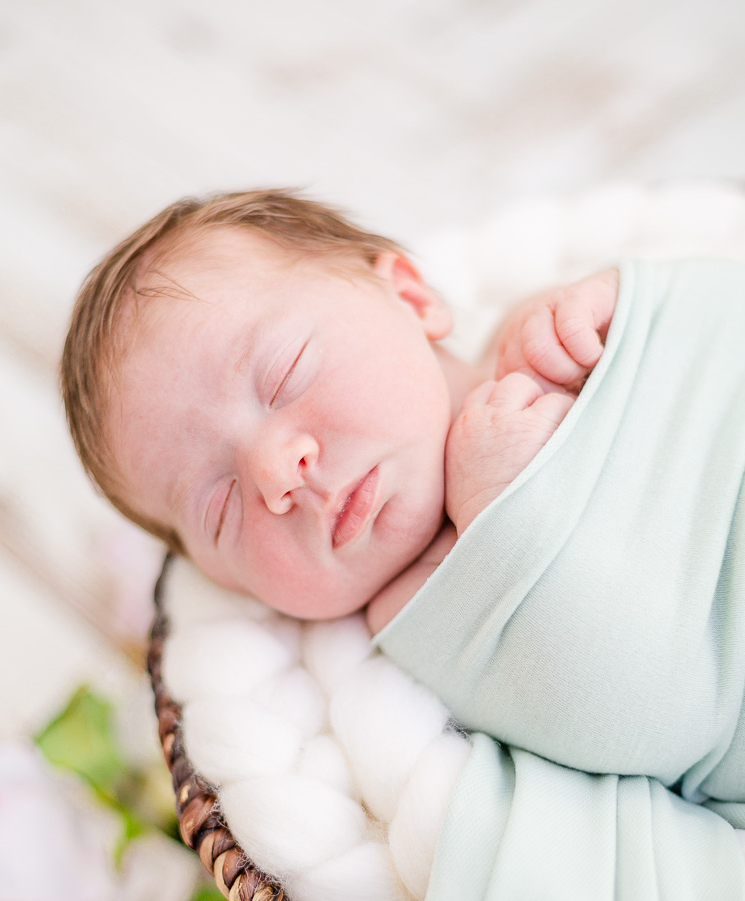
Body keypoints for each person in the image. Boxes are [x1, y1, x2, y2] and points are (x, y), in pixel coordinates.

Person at [62, 189, 745, 806]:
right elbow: (651, 719)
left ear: (413, 300)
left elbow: (714, 324)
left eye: (285, 373)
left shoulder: (546, 328)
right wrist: (506, 519)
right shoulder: (413, 630)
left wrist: (627, 303)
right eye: (220, 507)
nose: (278, 476)